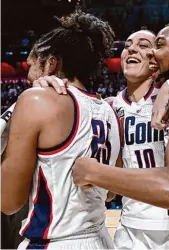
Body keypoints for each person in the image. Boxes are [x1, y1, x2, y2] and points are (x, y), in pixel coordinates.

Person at [33, 28, 169, 249]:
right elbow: (109, 190)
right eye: (127, 46)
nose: (132, 48)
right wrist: (48, 83)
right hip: (130, 225)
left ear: (155, 57)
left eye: (144, 45)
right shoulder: (109, 107)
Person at [1, 10, 120, 249]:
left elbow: (7, 201)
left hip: (55, 241)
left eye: (32, 66)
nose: (28, 76)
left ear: (52, 64)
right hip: (100, 238)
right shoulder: (110, 111)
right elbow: (109, 194)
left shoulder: (36, 100)